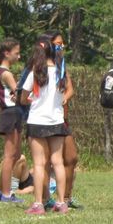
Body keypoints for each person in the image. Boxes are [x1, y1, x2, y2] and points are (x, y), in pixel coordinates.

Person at [19, 36, 73, 215]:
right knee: (58, 162)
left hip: (37, 121)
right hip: (56, 121)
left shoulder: (35, 71)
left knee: (39, 163)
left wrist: (29, 99)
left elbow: (23, 98)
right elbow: (64, 93)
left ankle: (38, 204)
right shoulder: (60, 71)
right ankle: (61, 202)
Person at [49, 31, 83, 210]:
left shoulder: (61, 65)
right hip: (46, 121)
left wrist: (64, 98)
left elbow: (70, 89)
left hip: (62, 120)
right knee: (44, 162)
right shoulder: (39, 66)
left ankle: (67, 197)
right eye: (58, 44)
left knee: (71, 158)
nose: (61, 47)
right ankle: (43, 199)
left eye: (62, 43)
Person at [0, 37, 25, 204]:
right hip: (10, 113)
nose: (19, 56)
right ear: (6, 53)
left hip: (13, 113)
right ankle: (6, 193)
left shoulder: (2, 72)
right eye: (16, 53)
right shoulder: (6, 73)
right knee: (10, 155)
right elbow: (19, 94)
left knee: (15, 154)